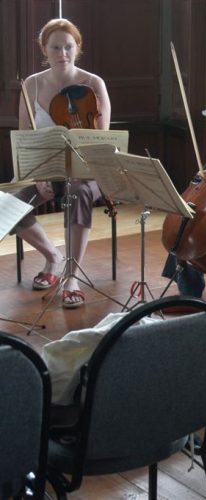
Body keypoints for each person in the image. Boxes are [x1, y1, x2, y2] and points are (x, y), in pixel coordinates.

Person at [15, 18, 111, 308]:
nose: (62, 53)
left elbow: (102, 142)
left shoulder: (94, 84)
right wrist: (39, 175)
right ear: (44, 49)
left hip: (87, 172)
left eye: (68, 46)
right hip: (47, 170)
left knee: (77, 191)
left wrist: (78, 168)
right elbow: (25, 139)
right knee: (10, 206)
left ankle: (72, 276)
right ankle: (53, 256)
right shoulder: (31, 85)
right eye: (55, 47)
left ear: (77, 47)